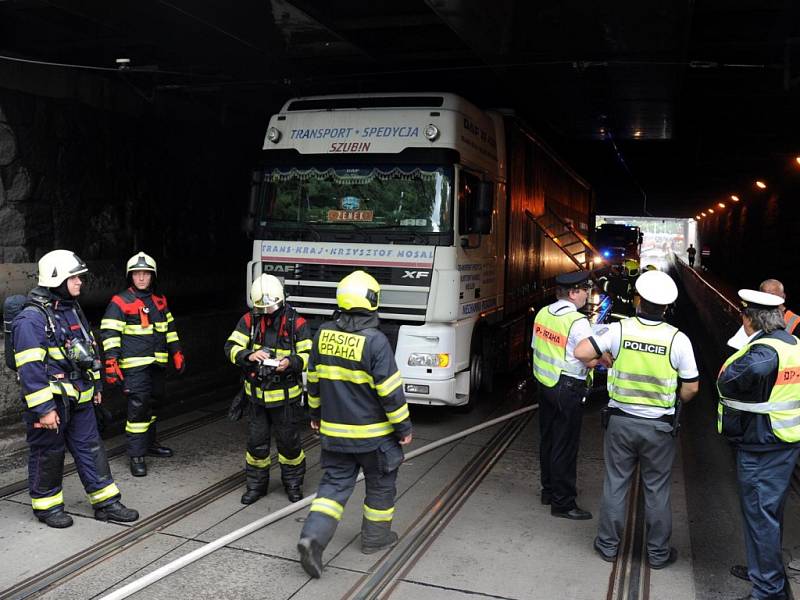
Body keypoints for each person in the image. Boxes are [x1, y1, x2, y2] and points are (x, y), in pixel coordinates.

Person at [575, 270, 698, 568]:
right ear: (666, 307)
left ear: (638, 300)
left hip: (620, 422)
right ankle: (657, 554)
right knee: (656, 489)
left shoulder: (619, 330)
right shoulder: (678, 339)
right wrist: (673, 402)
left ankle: (607, 547)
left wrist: (603, 359)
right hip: (659, 426)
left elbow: (580, 351)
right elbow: (692, 387)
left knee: (616, 483)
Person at [297, 270, 412, 579]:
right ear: (373, 300)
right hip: (375, 438)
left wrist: (315, 415)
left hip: (334, 434)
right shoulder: (376, 341)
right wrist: (403, 429)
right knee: (381, 484)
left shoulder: (322, 334)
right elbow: (390, 393)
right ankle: (375, 539)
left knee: (333, 487)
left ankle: (312, 538)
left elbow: (315, 382)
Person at [12, 250, 139, 528]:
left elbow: (87, 350)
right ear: (56, 279)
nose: (80, 282)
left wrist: (95, 385)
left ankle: (106, 503)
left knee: (91, 449)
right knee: (49, 454)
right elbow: (30, 370)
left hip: (80, 399)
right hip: (52, 404)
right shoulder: (31, 319)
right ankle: (47, 507)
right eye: (75, 277)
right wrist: (44, 410)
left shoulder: (71, 308)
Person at [717, 289, 800, 600]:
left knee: (760, 518)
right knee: (769, 515)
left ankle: (768, 590)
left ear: (750, 320)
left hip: (761, 447)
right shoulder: (794, 344)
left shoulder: (764, 352)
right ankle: (766, 578)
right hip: (784, 442)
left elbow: (732, 378)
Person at [224, 273, 311, 504]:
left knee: (290, 445)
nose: (268, 312)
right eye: (263, 308)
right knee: (256, 446)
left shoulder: (297, 323)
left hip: (286, 401)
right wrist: (249, 355)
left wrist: (290, 362)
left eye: (272, 307)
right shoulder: (249, 321)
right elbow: (230, 347)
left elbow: (309, 356)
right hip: (257, 400)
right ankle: (256, 487)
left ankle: (293, 485)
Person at [100, 252, 185, 477]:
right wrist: (111, 362)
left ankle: (149, 444)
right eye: (137, 273)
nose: (141, 278)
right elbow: (110, 333)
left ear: (152, 276)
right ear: (130, 276)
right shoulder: (120, 301)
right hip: (134, 366)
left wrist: (176, 352)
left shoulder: (160, 301)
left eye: (145, 274)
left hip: (157, 364)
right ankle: (136, 455)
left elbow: (170, 330)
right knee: (138, 408)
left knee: (154, 403)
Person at [531, 271, 600, 519]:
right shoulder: (576, 321)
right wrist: (599, 360)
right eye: (584, 291)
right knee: (566, 445)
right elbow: (585, 355)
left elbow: (538, 347)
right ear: (573, 293)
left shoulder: (543, 313)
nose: (587, 295)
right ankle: (563, 503)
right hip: (567, 387)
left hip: (545, 384)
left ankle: (548, 490)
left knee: (548, 439)